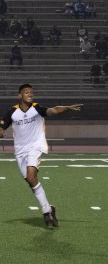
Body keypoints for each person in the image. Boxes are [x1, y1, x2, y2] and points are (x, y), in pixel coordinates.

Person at [0, 84, 83, 228]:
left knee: (32, 177)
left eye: (31, 92)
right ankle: (50, 208)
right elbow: (2, 128)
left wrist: (67, 108)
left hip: (35, 147)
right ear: (20, 95)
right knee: (31, 182)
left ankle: (46, 213)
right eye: (26, 92)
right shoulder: (12, 112)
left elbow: (53, 110)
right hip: (20, 151)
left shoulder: (36, 108)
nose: (30, 94)